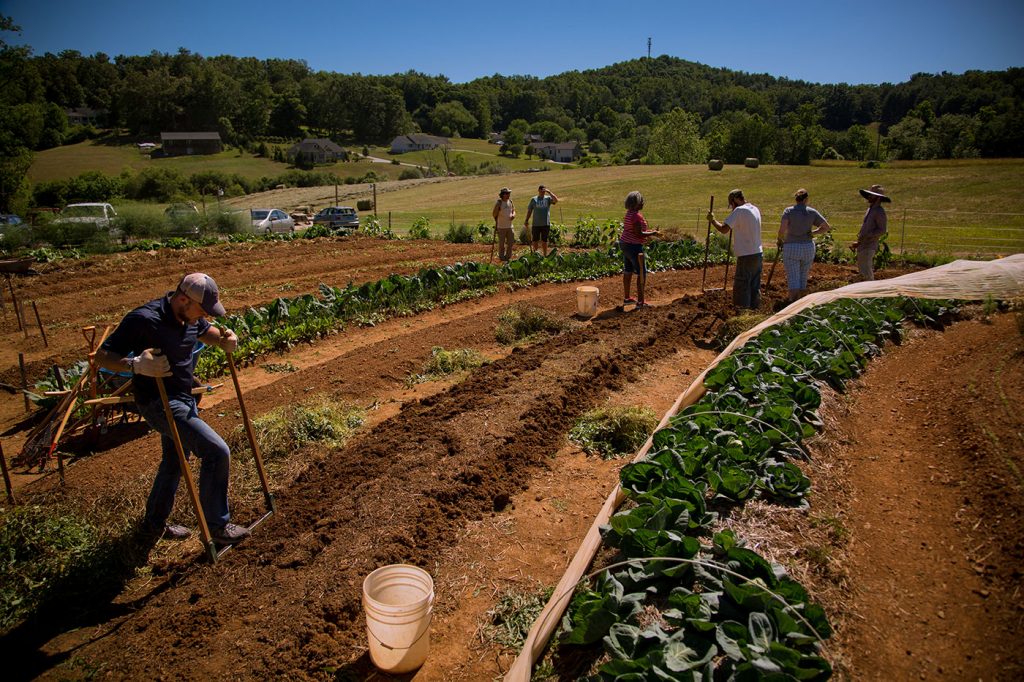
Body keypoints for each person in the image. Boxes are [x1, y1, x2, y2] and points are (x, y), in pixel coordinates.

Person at [96, 273, 250, 546]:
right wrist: (135, 364)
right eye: (201, 310)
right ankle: (217, 525)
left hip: (184, 396)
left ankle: (153, 525)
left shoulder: (190, 315)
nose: (203, 316)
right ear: (182, 299)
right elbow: (102, 356)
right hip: (159, 402)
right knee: (216, 451)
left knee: (174, 461)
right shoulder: (144, 319)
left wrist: (225, 340)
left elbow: (206, 332)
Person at [707, 188, 763, 309]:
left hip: (746, 255)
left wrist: (712, 220)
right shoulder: (755, 209)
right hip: (758, 253)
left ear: (736, 200)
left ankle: (742, 313)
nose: (732, 207)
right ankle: (755, 311)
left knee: (742, 285)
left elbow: (724, 229)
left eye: (732, 204)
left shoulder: (739, 211)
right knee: (754, 285)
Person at [777, 188, 831, 302]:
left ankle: (793, 302)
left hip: (792, 246)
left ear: (796, 199)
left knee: (793, 277)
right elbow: (826, 226)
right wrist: (813, 233)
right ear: (806, 199)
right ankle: (802, 302)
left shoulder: (788, 211)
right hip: (807, 247)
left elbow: (782, 230)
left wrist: (780, 240)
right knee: (803, 276)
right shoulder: (812, 212)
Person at [619, 190, 660, 309]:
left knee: (628, 270)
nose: (643, 203)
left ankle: (627, 298)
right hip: (633, 246)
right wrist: (653, 233)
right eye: (641, 201)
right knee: (641, 272)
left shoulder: (629, 214)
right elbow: (639, 233)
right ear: (636, 203)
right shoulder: (636, 216)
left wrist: (649, 231)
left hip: (625, 244)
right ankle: (641, 302)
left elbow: (634, 231)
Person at [851, 184, 890, 281]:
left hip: (869, 245)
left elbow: (882, 230)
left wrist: (867, 236)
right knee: (863, 270)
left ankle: (870, 292)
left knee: (866, 271)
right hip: (863, 245)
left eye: (871, 195)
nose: (869, 197)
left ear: (878, 198)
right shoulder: (870, 209)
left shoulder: (879, 211)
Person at [523, 184, 559, 256]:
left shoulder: (548, 199)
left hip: (545, 223)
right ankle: (535, 254)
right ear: (538, 190)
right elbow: (530, 211)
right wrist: (526, 220)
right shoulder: (534, 199)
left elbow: (556, 200)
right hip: (536, 224)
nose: (543, 192)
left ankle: (545, 255)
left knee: (544, 240)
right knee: (535, 240)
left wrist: (549, 192)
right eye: (541, 190)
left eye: (544, 190)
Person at [491, 187, 516, 262]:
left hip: (510, 226)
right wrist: (497, 220)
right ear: (503, 195)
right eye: (507, 193)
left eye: (509, 193)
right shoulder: (499, 203)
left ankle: (508, 257)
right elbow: (494, 214)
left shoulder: (510, 202)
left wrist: (513, 215)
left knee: (510, 243)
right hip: (501, 227)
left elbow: (514, 210)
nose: (509, 195)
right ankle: (502, 258)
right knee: (501, 244)